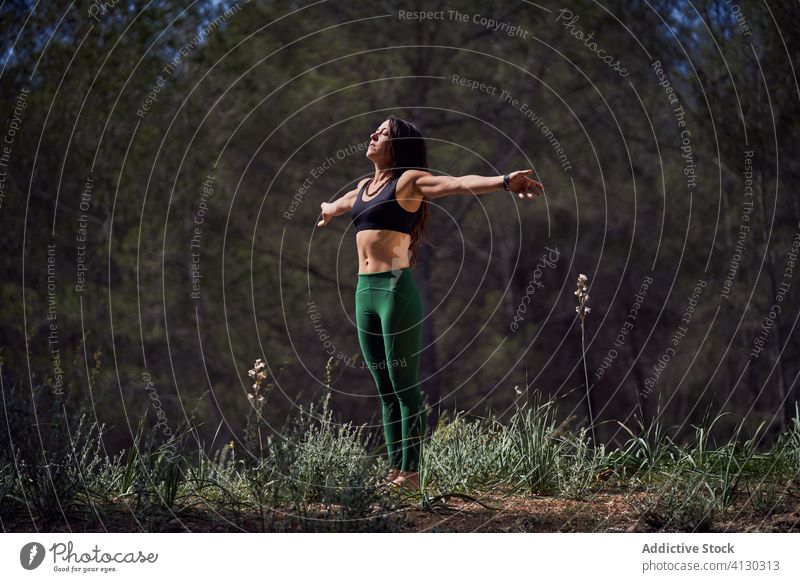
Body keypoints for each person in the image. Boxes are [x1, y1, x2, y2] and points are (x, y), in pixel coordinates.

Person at [316, 115, 544, 490]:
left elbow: (455, 184)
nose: (373, 135)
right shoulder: (363, 187)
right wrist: (327, 208)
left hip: (394, 291)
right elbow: (340, 204)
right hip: (364, 293)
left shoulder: (408, 181)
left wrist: (503, 181)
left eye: (383, 133)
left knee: (404, 385)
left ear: (398, 145)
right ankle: (395, 472)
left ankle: (411, 473)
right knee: (384, 386)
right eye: (375, 130)